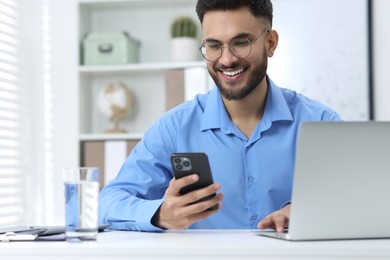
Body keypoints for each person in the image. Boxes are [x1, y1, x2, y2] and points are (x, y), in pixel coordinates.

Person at [98, 0, 341, 232]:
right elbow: (108, 204)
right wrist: (162, 214)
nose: (226, 59)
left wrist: (307, 211)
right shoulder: (175, 128)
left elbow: (354, 199)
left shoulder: (321, 124)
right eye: (214, 46)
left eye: (241, 42)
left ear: (270, 43)